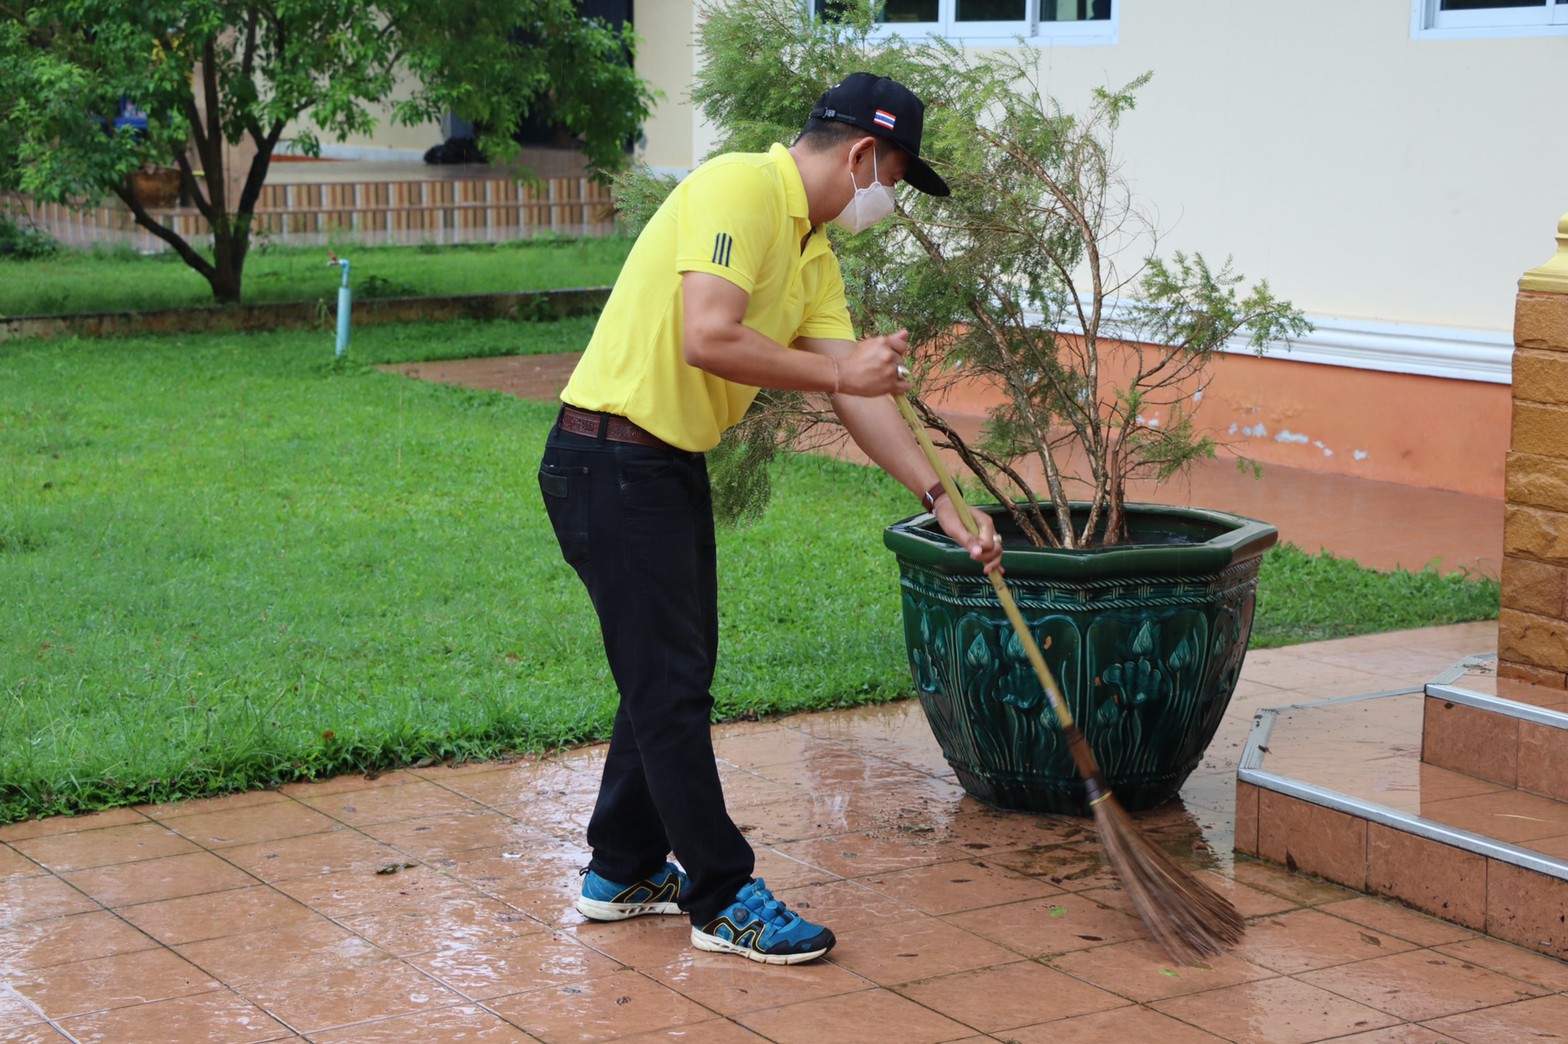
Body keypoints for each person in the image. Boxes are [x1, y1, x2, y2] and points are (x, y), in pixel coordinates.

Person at [537, 72, 1004, 966]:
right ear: (862, 154)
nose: (890, 199)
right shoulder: (740, 188)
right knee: (671, 686)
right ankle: (721, 897)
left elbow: (857, 393)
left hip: (661, 463)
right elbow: (707, 335)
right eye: (895, 178)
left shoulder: (809, 247)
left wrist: (941, 498)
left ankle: (622, 869)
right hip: (609, 460)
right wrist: (840, 372)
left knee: (670, 674)